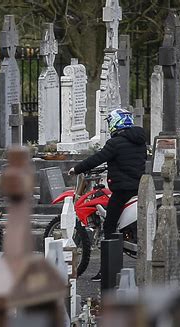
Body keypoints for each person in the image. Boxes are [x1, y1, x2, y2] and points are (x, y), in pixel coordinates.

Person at [68, 109, 147, 281]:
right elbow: (127, 162)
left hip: (122, 191)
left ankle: (107, 271)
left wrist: (77, 169)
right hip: (139, 188)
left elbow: (97, 158)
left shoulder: (116, 143)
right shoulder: (139, 140)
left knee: (109, 228)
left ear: (115, 123)